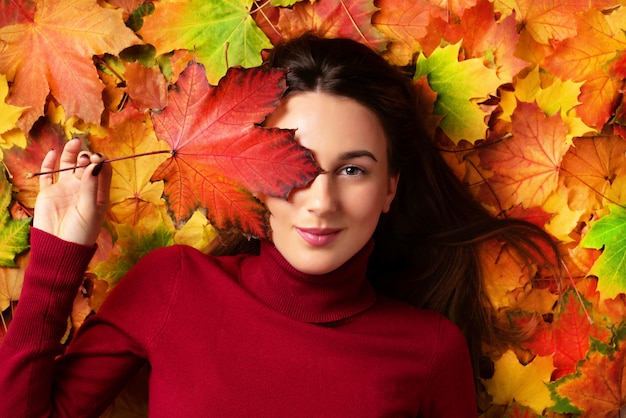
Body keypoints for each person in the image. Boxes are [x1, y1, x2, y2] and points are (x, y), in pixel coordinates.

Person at [0, 34, 558, 417]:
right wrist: (57, 256)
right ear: (251, 167)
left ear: (390, 188)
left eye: (354, 170)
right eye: (297, 162)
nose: (322, 200)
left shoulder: (430, 350)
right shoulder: (173, 286)